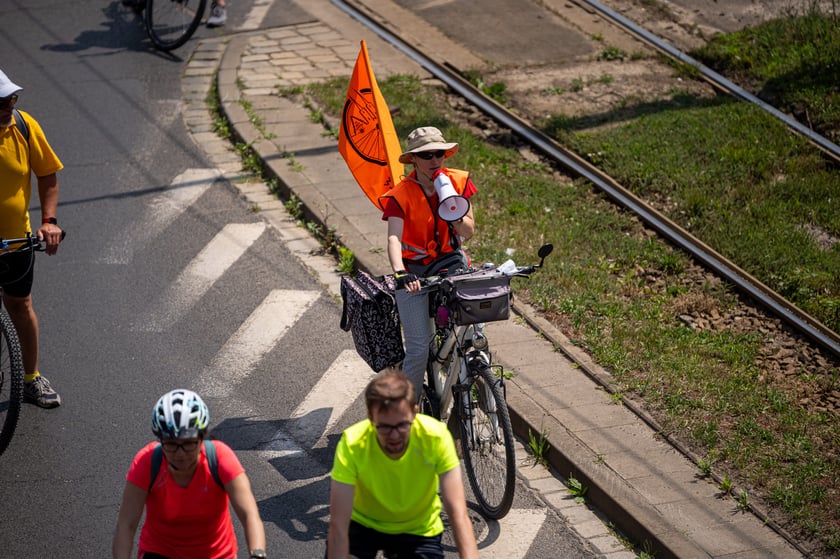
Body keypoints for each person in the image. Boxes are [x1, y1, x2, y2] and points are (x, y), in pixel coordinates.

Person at [326, 369, 478, 559]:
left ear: (415, 413)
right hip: (364, 523)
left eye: (402, 425)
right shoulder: (353, 443)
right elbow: (338, 527)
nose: (395, 435)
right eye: (385, 427)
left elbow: (458, 516)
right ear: (371, 419)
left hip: (417, 528)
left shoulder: (436, 438)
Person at [112, 389, 267, 559]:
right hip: (161, 554)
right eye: (171, 444)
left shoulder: (220, 458)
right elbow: (126, 525)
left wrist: (257, 554)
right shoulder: (147, 462)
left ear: (202, 437)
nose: (180, 454)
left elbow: (249, 514)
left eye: (188, 444)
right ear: (160, 440)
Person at [381, 126, 477, 397]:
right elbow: (393, 240)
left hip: (451, 263)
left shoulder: (457, 182)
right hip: (414, 273)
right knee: (419, 348)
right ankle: (406, 414)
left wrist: (453, 208)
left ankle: (466, 391)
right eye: (426, 155)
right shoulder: (401, 194)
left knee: (469, 331)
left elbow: (468, 232)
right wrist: (400, 273)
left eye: (440, 154)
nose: (434, 161)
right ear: (413, 160)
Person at [0, 69, 64, 408]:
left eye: (11, 98)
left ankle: (30, 379)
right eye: (0, 102)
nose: (8, 106)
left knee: (20, 306)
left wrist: (49, 221)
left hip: (15, 242)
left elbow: (47, 174)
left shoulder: (24, 127)